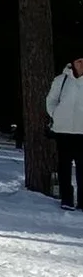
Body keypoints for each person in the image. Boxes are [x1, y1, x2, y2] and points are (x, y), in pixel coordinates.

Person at [47, 56, 83, 210]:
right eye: (79, 61)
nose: (81, 64)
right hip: (63, 130)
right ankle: (67, 199)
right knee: (64, 166)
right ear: (73, 62)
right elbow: (51, 100)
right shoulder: (61, 80)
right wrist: (56, 115)